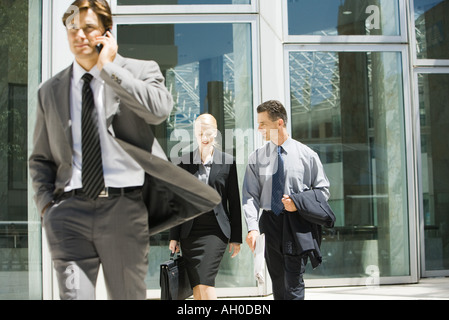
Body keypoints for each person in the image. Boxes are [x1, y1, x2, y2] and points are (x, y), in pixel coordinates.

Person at [29, 0, 220, 300]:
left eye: (88, 28)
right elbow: (40, 158)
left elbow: (159, 109)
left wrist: (109, 70)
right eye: (72, 28)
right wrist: (47, 208)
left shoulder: (140, 70)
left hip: (122, 209)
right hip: (68, 213)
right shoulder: (50, 91)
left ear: (106, 33)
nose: (79, 35)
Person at [242, 100, 330, 300]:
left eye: (263, 124)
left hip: (297, 223)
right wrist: (253, 227)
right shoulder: (256, 158)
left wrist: (297, 204)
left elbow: (323, 191)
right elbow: (249, 196)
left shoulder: (307, 155)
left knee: (293, 282)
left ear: (279, 123)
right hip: (269, 224)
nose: (259, 128)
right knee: (278, 282)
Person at [169, 114, 242, 300]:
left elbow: (234, 202)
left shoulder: (227, 162)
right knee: (197, 286)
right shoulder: (183, 162)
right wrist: (174, 236)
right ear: (194, 133)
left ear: (215, 133)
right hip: (190, 232)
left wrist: (236, 238)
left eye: (208, 132)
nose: (204, 137)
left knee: (206, 282)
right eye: (200, 133)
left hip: (215, 232)